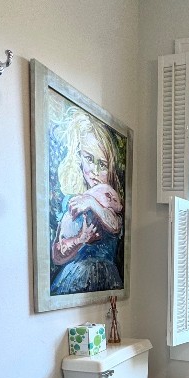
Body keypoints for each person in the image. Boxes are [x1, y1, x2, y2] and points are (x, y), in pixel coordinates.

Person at [50, 109, 125, 295]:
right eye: (89, 159)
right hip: (74, 276)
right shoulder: (72, 201)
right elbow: (57, 255)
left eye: (103, 164)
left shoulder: (108, 196)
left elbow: (114, 225)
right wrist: (80, 240)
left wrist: (91, 202)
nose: (94, 170)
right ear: (79, 157)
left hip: (106, 278)